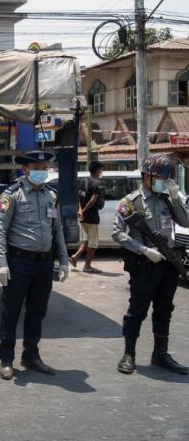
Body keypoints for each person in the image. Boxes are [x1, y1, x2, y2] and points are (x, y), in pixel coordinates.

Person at [0, 150, 69, 380]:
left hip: (44, 263)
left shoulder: (51, 195)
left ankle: (31, 356)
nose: (42, 172)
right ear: (25, 169)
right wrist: (1, 263)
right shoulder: (12, 195)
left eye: (44, 167)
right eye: (37, 167)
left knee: (37, 312)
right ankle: (7, 360)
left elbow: (57, 230)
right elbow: (0, 229)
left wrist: (64, 260)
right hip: (19, 262)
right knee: (11, 312)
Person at [112, 153, 188, 375]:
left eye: (168, 180)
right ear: (146, 176)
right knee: (137, 310)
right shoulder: (130, 202)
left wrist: (175, 198)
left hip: (168, 263)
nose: (164, 183)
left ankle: (160, 354)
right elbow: (117, 233)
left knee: (164, 310)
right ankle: (129, 354)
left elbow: (185, 222)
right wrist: (143, 249)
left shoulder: (167, 200)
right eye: (161, 178)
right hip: (145, 264)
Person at [70, 161, 105, 274]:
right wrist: (83, 210)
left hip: (82, 217)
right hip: (92, 217)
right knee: (93, 243)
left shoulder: (82, 181)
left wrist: (80, 211)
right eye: (101, 169)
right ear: (97, 170)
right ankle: (87, 266)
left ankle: (75, 257)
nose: (101, 172)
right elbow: (92, 201)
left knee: (87, 240)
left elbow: (79, 197)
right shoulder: (96, 183)